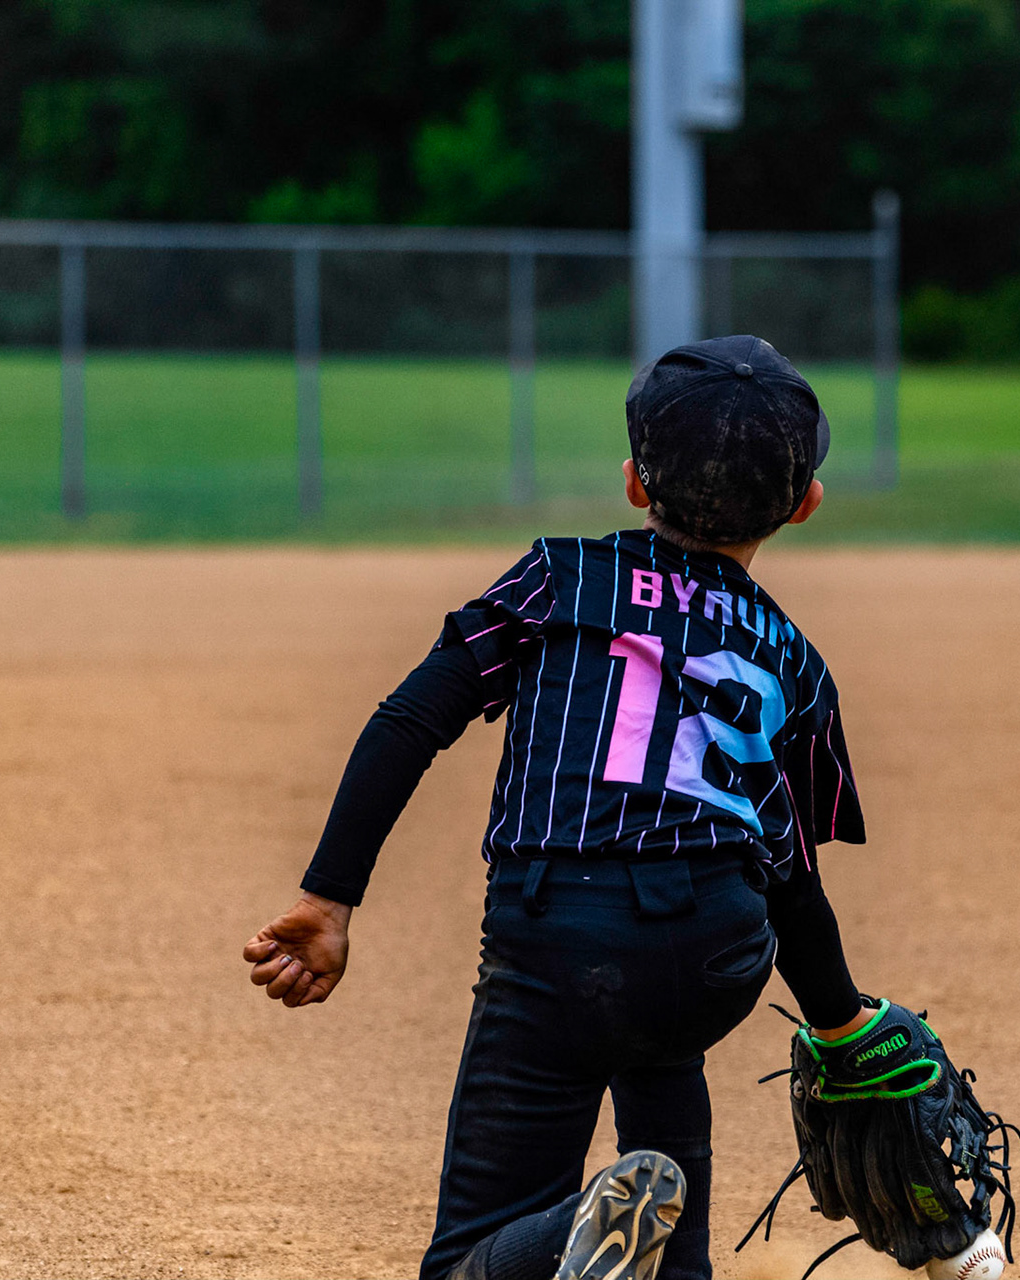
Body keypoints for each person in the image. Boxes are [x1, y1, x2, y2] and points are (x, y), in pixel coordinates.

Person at [243, 335, 880, 1280]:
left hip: (558, 925)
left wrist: (331, 898)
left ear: (633, 482)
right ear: (803, 505)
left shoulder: (560, 579)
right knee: (663, 1047)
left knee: (470, 1251)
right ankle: (650, 1245)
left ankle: (568, 1232)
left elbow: (411, 719)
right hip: (712, 949)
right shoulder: (791, 658)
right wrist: (840, 1029)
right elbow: (791, 877)